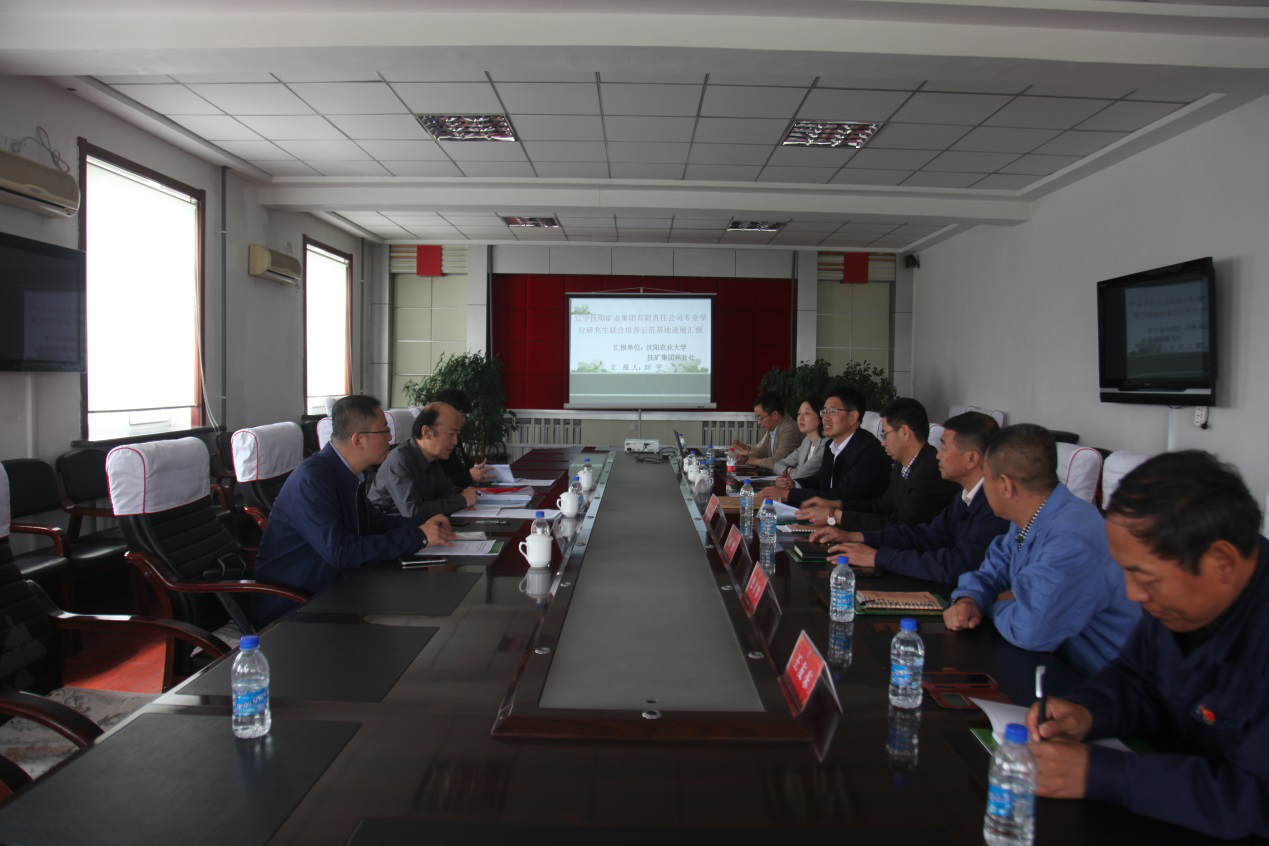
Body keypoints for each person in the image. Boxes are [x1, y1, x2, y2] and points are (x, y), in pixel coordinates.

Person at [1025, 451, 1269, 839]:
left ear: (1221, 561)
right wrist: (1088, 710)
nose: (1133, 594)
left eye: (1147, 578)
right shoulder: (1178, 603)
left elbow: (1256, 800)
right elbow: (1137, 678)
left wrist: (1101, 774)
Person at [942, 423, 1139, 675]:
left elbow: (1029, 629)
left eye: (986, 478)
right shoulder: (1030, 516)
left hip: (1101, 678)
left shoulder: (1070, 538)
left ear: (1005, 485)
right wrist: (969, 599)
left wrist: (990, 603)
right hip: (1053, 661)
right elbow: (990, 572)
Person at [252, 395, 456, 625]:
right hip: (296, 607)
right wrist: (418, 536)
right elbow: (341, 552)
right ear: (358, 440)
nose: (390, 438)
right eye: (384, 430)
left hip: (339, 590)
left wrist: (424, 524)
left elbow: (373, 524)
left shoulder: (347, 473)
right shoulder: (312, 481)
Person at [810, 411, 1010, 584]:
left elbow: (958, 565)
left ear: (971, 458)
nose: (938, 455)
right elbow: (925, 536)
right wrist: (857, 537)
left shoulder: (995, 506)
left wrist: (879, 557)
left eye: (945, 448)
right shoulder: (965, 496)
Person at [794, 397, 958, 531]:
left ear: (904, 433)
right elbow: (881, 506)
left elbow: (900, 525)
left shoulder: (930, 472)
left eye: (885, 434)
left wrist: (835, 516)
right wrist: (835, 505)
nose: (883, 442)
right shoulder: (902, 465)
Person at [776, 386, 890, 508]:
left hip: (856, 518)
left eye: (832, 411)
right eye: (824, 412)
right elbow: (821, 481)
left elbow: (844, 495)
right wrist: (794, 484)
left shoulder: (868, 450)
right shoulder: (831, 445)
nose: (825, 418)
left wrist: (790, 495)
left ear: (852, 417)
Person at [368, 402, 478, 519]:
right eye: (451, 434)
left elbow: (446, 492)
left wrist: (464, 496)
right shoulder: (400, 461)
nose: (455, 442)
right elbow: (413, 512)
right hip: (390, 526)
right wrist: (461, 501)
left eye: (457, 434)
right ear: (426, 432)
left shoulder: (431, 458)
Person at [431, 387, 497, 487]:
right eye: (462, 415)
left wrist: (479, 470)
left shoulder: (455, 438)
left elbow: (465, 465)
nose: (464, 421)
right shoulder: (435, 444)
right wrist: (469, 476)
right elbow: (437, 485)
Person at [731, 392, 800, 470]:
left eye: (761, 418)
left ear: (775, 415)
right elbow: (762, 452)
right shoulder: (773, 428)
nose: (759, 422)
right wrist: (745, 457)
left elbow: (779, 462)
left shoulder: (789, 429)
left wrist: (756, 461)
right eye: (757, 418)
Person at [769, 396, 826, 485]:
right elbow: (777, 465)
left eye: (806, 413)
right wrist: (790, 470)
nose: (800, 418)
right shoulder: (807, 441)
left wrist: (790, 472)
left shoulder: (827, 443)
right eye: (799, 413)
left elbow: (799, 475)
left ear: (821, 415)